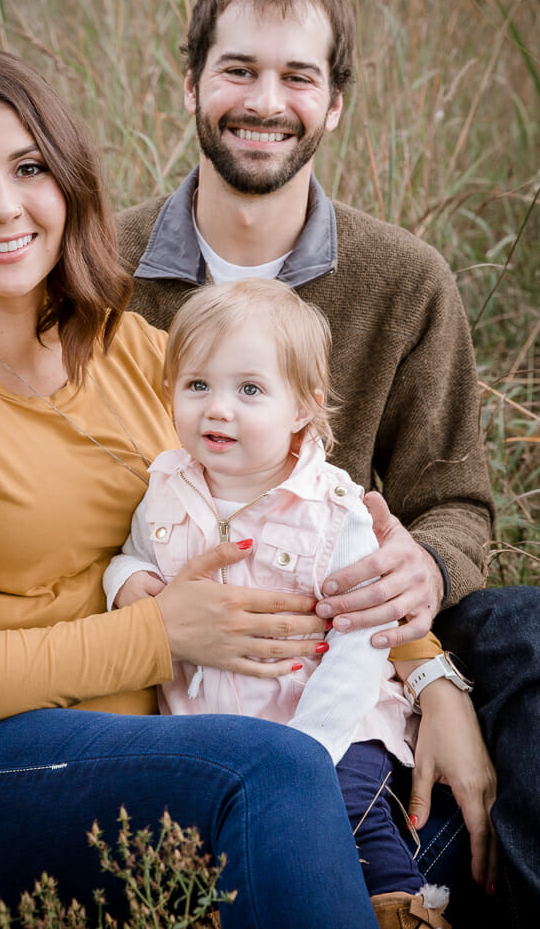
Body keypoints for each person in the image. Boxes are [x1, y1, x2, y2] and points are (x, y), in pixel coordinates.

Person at [0, 44, 385, 929]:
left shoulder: (138, 353)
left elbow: (305, 504)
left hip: (162, 754)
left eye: (29, 168)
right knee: (276, 767)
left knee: (403, 789)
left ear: (70, 182)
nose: (3, 207)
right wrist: (156, 635)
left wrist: (428, 668)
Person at [115, 0, 540, 926]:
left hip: (353, 641)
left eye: (298, 77)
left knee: (527, 632)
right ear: (190, 82)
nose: (266, 102)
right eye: (238, 70)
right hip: (173, 650)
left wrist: (424, 594)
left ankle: (474, 891)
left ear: (335, 103)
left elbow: (454, 501)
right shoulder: (105, 265)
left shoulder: (406, 279)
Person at [104, 277, 496, 927]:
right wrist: (127, 583)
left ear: (303, 409)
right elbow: (135, 554)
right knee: (217, 846)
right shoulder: (165, 489)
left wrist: (310, 748)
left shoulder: (332, 510)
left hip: (329, 727)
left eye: (249, 390)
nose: (217, 410)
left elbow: (361, 642)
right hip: (209, 730)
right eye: (197, 385)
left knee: (349, 820)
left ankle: (398, 907)